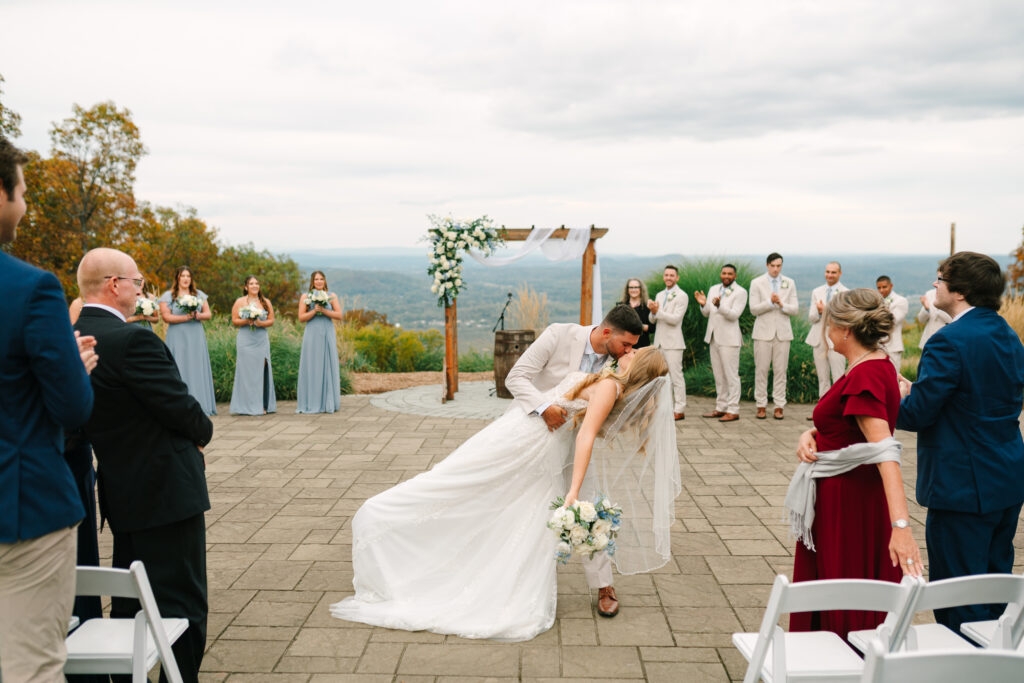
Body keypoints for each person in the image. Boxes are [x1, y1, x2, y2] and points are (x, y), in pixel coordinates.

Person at [330, 346, 680, 641]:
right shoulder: (608, 380)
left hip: (525, 442)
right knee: (466, 485)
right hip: (520, 433)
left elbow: (585, 436)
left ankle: (383, 516)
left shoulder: (608, 389)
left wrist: (573, 490)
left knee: (455, 481)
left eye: (637, 352)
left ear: (641, 367)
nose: (629, 350)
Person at [74, 247, 213, 683]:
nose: (141, 289)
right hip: (168, 490)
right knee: (182, 600)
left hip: (120, 488)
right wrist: (203, 433)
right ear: (114, 285)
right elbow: (181, 408)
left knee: (133, 597)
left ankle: (129, 673)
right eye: (137, 281)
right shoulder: (133, 340)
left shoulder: (71, 336)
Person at [0, 136, 96, 683]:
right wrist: (73, 372)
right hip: (21, 510)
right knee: (30, 667)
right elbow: (72, 406)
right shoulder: (30, 288)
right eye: (23, 191)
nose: (26, 204)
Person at [896, 252, 1024, 634]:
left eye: (940, 278)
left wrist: (899, 398)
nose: (935, 284)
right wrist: (919, 390)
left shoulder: (948, 341)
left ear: (961, 291)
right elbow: (977, 396)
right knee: (994, 583)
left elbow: (919, 415)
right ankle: (995, 663)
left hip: (962, 485)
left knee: (958, 595)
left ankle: (961, 665)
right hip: (1007, 476)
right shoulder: (1008, 334)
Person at [787, 289, 922, 641]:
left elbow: (885, 453)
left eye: (828, 324)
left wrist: (902, 527)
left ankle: (849, 659)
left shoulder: (864, 376)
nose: (825, 330)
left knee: (845, 585)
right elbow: (850, 427)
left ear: (845, 330)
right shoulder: (876, 365)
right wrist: (813, 432)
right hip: (846, 494)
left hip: (849, 503)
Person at [502, 304, 644, 617]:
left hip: (579, 442)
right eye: (626, 345)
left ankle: (604, 584)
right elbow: (516, 378)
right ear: (607, 332)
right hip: (536, 433)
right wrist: (543, 407)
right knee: (523, 503)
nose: (629, 351)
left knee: (588, 504)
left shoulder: (618, 362)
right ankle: (514, 576)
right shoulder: (558, 334)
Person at [160, 266, 217, 415]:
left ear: (191, 279)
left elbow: (208, 314)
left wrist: (197, 315)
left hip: (195, 334)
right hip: (177, 335)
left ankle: (200, 404)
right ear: (177, 278)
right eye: (182, 276)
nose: (185, 279)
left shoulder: (198, 295)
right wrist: (185, 317)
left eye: (188, 276)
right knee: (179, 365)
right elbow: (166, 317)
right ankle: (179, 405)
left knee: (196, 365)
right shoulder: (168, 296)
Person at [749, 252, 798, 420]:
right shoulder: (757, 283)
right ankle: (761, 405)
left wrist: (781, 304)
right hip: (763, 332)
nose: (776, 269)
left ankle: (779, 405)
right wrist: (770, 303)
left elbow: (795, 309)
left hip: (783, 333)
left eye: (779, 266)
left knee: (780, 371)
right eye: (773, 266)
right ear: (767, 265)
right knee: (761, 370)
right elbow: (753, 309)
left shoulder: (789, 282)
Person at [695, 264, 747, 422]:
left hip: (730, 339)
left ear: (735, 276)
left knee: (731, 375)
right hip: (714, 337)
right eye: (724, 273)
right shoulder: (713, 289)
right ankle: (721, 407)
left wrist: (719, 305)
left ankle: (733, 409)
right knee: (719, 375)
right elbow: (707, 313)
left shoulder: (741, 292)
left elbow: (734, 315)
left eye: (730, 274)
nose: (726, 276)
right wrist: (703, 304)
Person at [296, 270, 343, 414]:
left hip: (327, 332)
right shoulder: (306, 296)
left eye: (321, 279)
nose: (319, 281)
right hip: (312, 333)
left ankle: (328, 401)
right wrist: (314, 311)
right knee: (313, 364)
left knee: (327, 363)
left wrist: (323, 310)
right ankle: (312, 401)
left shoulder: (331, 296)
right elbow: (301, 317)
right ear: (312, 281)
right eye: (316, 279)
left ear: (325, 281)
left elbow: (339, 315)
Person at [805, 262, 848, 415]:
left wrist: (826, 310)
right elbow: (811, 317)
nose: (830, 275)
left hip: (837, 339)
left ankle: (838, 410)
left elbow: (844, 318)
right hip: (818, 337)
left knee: (838, 376)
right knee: (822, 377)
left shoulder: (846, 293)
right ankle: (823, 410)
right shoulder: (817, 291)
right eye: (828, 272)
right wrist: (818, 312)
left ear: (840, 273)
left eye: (833, 272)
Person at [230, 275, 277, 415]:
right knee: (246, 372)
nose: (255, 286)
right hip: (245, 340)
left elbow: (271, 320)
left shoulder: (265, 302)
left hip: (260, 339)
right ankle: (244, 405)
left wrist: (261, 323)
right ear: (246, 287)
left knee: (260, 371)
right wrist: (247, 321)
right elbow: (234, 321)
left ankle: (260, 404)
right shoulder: (239, 302)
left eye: (257, 283)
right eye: (251, 284)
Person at [647, 266, 688, 420]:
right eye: (666, 275)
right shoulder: (659, 294)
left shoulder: (682, 295)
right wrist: (652, 312)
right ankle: (665, 407)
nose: (669, 277)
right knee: (661, 377)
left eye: (672, 275)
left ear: (677, 278)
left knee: (676, 376)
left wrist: (658, 312)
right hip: (659, 342)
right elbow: (653, 320)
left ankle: (680, 408)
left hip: (674, 343)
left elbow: (675, 319)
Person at [876, 276, 908, 371]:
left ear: (891, 286)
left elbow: (892, 321)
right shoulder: (875, 301)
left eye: (884, 287)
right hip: (876, 347)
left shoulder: (901, 301)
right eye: (879, 288)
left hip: (893, 346)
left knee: (892, 376)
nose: (881, 290)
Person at [621, 278, 654, 348]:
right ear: (627, 289)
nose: (633, 290)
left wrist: (639, 326)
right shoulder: (621, 306)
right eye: (631, 287)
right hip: (624, 346)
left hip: (642, 346)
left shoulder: (647, 306)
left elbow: (652, 328)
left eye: (636, 287)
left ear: (641, 289)